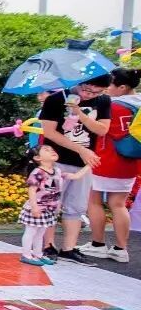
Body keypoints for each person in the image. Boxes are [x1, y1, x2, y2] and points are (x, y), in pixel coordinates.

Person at [37, 74, 109, 263]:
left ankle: (68, 248)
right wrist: (81, 150)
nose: (89, 94)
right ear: (80, 81)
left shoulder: (103, 101)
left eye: (96, 92)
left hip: (83, 163)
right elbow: (49, 132)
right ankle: (48, 245)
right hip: (55, 160)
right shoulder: (55, 99)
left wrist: (79, 113)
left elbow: (102, 130)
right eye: (87, 89)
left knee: (76, 207)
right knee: (51, 204)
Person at [77, 67, 140, 263]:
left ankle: (98, 244)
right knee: (118, 205)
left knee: (93, 201)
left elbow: (100, 130)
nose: (106, 88)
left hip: (105, 159)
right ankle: (121, 249)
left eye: (110, 85)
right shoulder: (138, 105)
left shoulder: (113, 106)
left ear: (122, 87)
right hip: (130, 162)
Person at [20, 144, 90, 266]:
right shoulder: (38, 173)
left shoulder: (57, 171)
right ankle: (26, 254)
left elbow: (75, 176)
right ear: (37, 158)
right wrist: (34, 207)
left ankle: (38, 254)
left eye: (52, 149)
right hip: (37, 208)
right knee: (31, 232)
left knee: (40, 233)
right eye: (46, 150)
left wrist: (89, 165)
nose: (52, 151)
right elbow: (31, 190)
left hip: (48, 210)